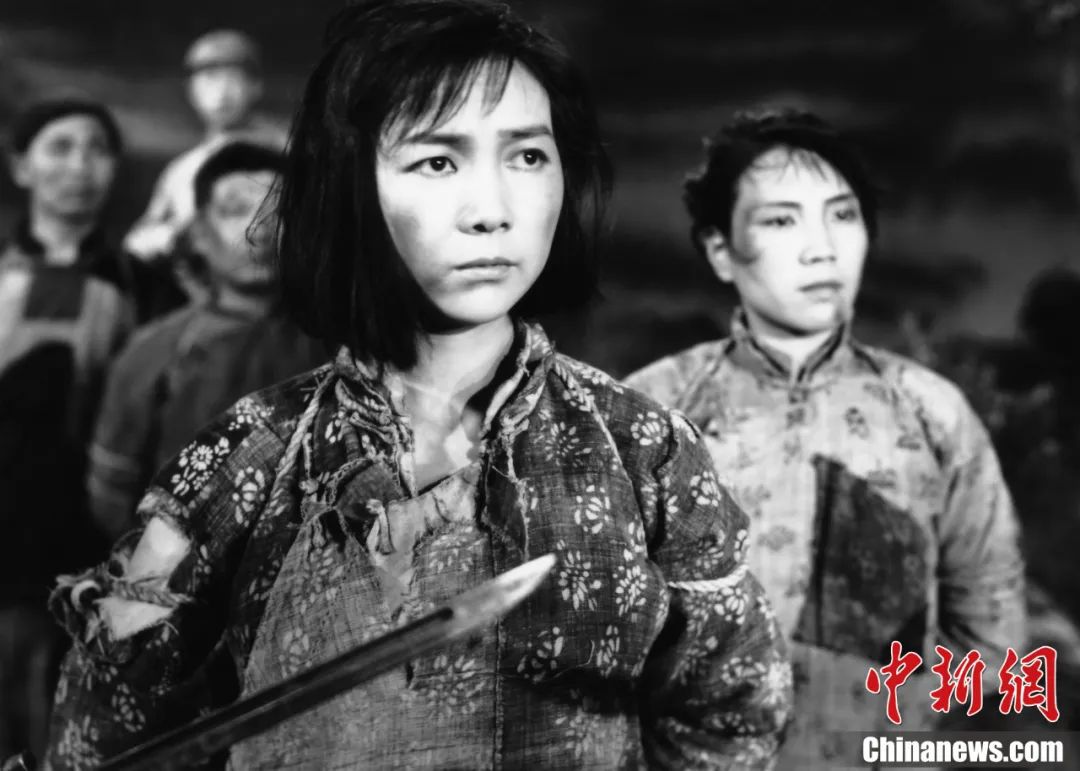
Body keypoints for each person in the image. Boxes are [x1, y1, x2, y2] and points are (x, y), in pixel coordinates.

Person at [43, 3, 792, 770]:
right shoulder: (248, 453)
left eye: (528, 156)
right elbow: (108, 721)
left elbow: (730, 712)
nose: (492, 211)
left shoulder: (643, 448)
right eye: (437, 161)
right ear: (351, 184)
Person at [625, 108, 1026, 768]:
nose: (823, 248)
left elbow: (993, 634)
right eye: (782, 221)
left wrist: (898, 715)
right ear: (720, 249)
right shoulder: (650, 411)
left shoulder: (932, 413)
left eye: (843, 215)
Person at [0, 97, 181, 764]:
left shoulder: (146, 284)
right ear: (22, 166)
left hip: (94, 530)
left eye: (97, 150)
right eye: (60, 147)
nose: (80, 166)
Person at [87, 141, 327, 542]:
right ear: (197, 233)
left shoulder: (345, 341)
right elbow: (112, 500)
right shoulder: (153, 353)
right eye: (235, 210)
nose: (259, 228)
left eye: (280, 211)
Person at [123, 29, 288, 264]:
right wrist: (177, 237)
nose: (222, 91)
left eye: (234, 77)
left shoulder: (289, 152)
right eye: (210, 78)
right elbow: (138, 243)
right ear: (190, 90)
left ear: (256, 85)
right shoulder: (182, 170)